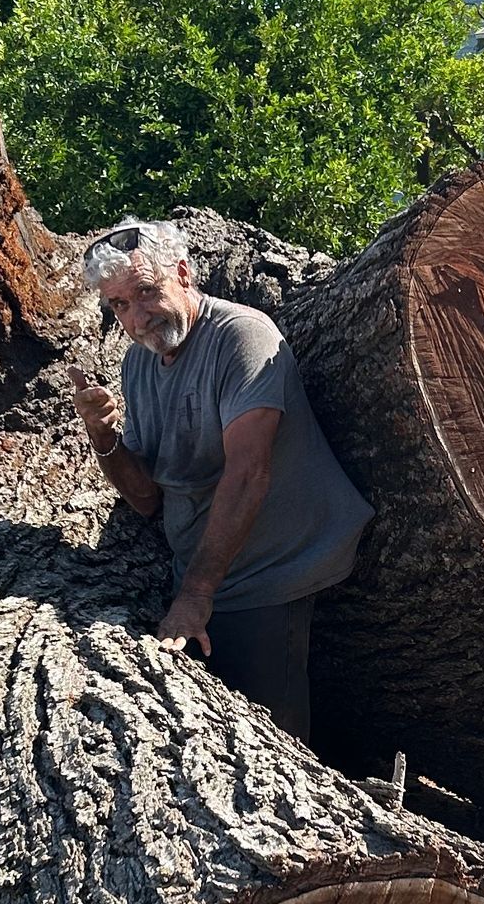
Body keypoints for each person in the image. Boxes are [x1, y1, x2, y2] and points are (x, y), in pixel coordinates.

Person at [67, 218, 371, 742]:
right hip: (209, 570)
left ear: (183, 274)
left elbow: (249, 473)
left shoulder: (241, 337)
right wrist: (102, 434)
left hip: (275, 568)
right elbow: (144, 499)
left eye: (146, 292)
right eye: (119, 304)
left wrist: (195, 595)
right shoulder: (139, 365)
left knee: (269, 743)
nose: (137, 317)